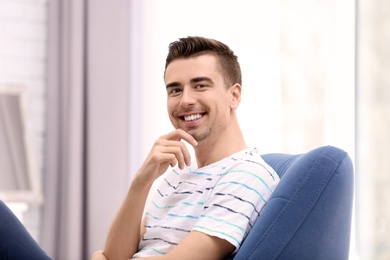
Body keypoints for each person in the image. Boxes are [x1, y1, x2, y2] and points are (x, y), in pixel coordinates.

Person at [93, 36, 280, 260]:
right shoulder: (178, 174)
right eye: (175, 90)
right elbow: (115, 255)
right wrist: (141, 182)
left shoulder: (246, 175)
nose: (185, 100)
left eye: (200, 85)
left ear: (234, 95)